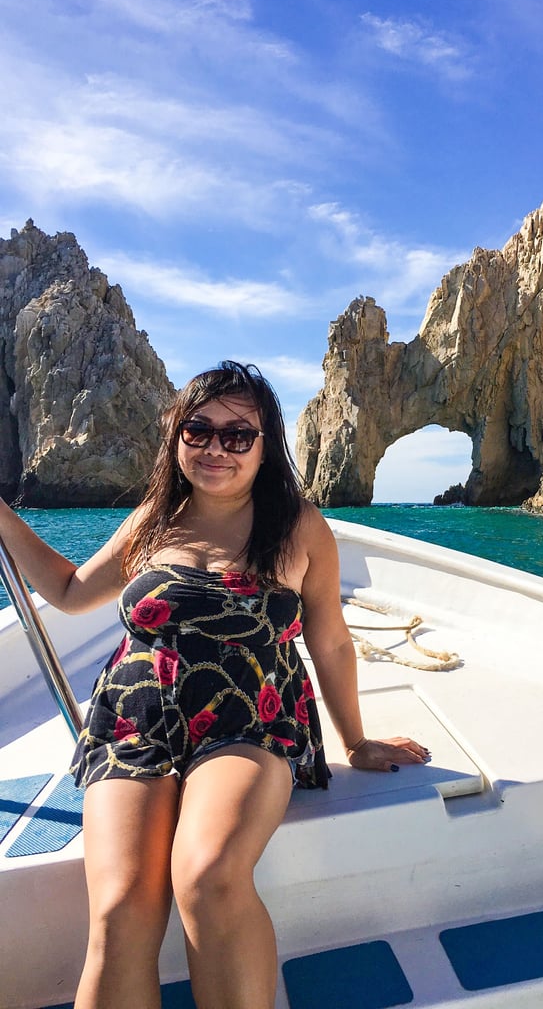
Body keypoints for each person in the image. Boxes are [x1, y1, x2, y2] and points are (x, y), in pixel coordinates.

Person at [0, 361, 429, 1009]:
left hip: (248, 718)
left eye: (238, 436)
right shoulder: (154, 518)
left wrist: (356, 741)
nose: (216, 448)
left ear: (265, 446)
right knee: (119, 909)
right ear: (177, 435)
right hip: (134, 722)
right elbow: (67, 592)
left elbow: (331, 641)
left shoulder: (298, 527)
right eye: (199, 430)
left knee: (207, 877)